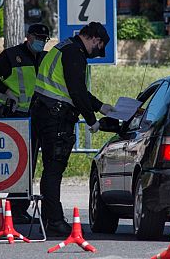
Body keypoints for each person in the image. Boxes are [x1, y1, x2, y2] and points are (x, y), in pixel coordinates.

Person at [31, 22, 114, 236]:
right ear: (95, 39)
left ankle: (51, 218)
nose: (97, 53)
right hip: (56, 117)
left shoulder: (63, 48)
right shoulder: (75, 54)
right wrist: (92, 121)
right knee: (54, 169)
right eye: (100, 47)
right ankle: (55, 222)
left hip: (44, 112)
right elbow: (76, 91)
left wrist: (101, 106)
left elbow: (75, 89)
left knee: (49, 170)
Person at [0, 23, 50, 223]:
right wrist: (7, 91)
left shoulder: (44, 58)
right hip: (13, 115)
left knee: (29, 163)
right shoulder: (12, 55)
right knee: (19, 162)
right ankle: (15, 210)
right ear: (28, 37)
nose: (41, 42)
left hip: (34, 116)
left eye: (44, 39)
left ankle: (18, 208)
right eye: (37, 38)